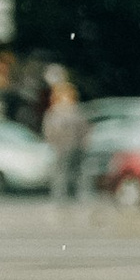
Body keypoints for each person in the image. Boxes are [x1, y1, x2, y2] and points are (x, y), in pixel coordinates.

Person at [41, 72, 89, 204]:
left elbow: (85, 129)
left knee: (77, 173)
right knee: (61, 174)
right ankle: (60, 198)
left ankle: (76, 197)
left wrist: (83, 143)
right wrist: (55, 144)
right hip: (61, 149)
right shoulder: (54, 113)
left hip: (77, 148)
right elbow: (49, 132)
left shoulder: (77, 112)